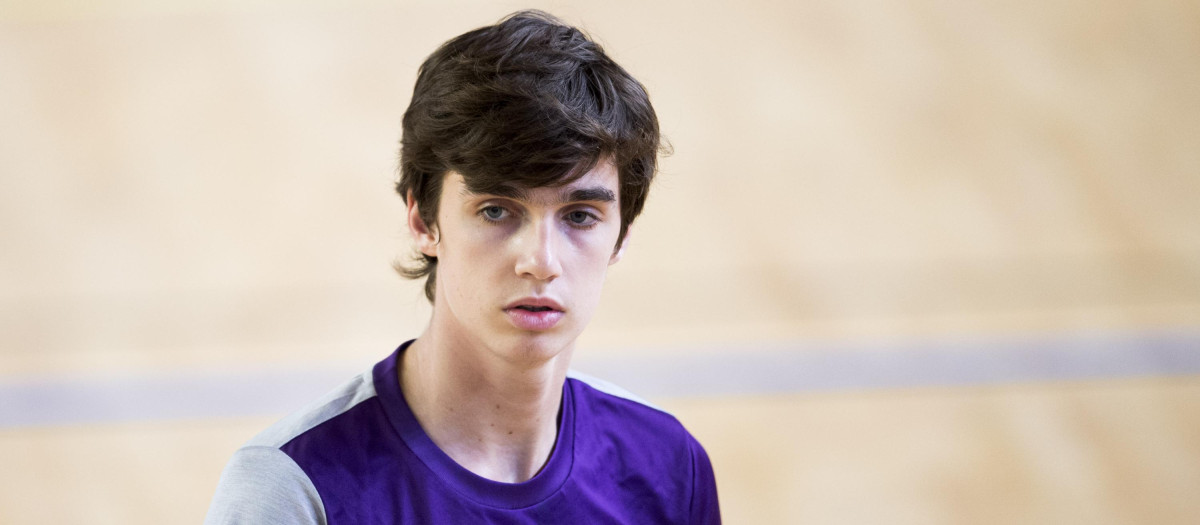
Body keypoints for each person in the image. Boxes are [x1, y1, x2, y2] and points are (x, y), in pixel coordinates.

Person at [205, 10, 720, 524]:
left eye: (580, 216)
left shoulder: (669, 466)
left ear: (622, 235)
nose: (540, 262)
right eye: (496, 210)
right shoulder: (293, 486)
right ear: (424, 220)